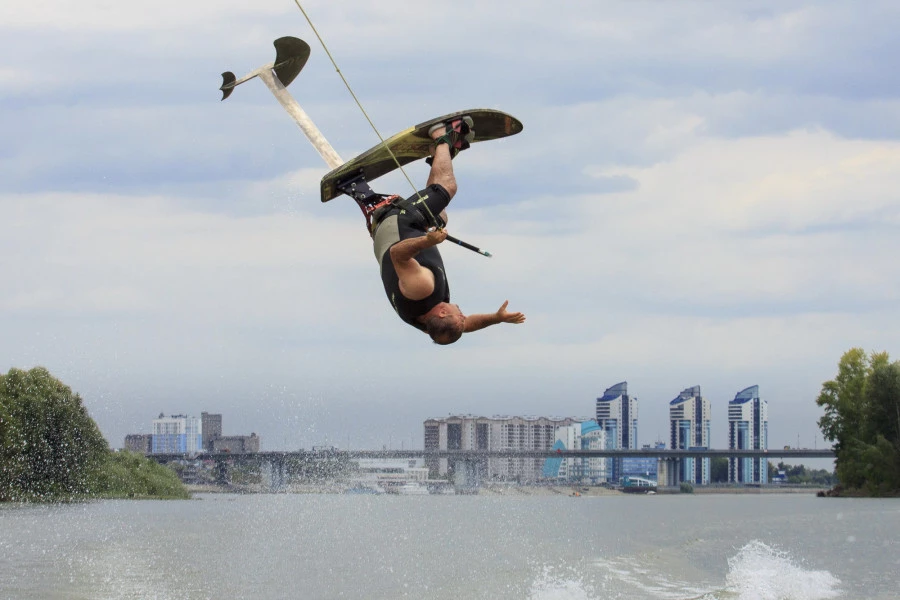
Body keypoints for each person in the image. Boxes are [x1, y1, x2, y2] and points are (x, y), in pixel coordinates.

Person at [369, 116, 526, 344]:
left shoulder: (421, 288)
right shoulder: (427, 323)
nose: (463, 314)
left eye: (459, 316)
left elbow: (398, 255)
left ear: (442, 313)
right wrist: (496, 318)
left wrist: (429, 241)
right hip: (403, 232)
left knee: (448, 188)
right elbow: (463, 325)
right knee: (440, 216)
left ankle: (441, 135)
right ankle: (439, 155)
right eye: (462, 319)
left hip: (398, 226)